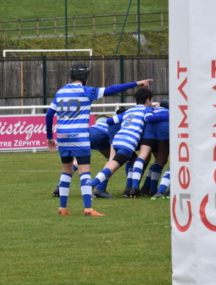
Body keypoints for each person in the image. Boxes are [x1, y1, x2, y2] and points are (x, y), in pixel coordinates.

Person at [46, 63, 151, 216]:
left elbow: (49, 114)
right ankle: (88, 209)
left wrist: (49, 137)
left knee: (66, 171)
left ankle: (63, 209)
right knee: (84, 172)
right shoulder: (87, 91)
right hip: (80, 137)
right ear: (85, 77)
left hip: (62, 137)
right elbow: (112, 89)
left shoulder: (60, 92)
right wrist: (136, 83)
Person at [89, 87, 167, 196]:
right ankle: (92, 186)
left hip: (117, 139)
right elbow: (149, 119)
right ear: (148, 100)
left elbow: (110, 120)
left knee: (113, 163)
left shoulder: (129, 111)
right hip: (128, 142)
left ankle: (124, 188)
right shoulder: (147, 110)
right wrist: (169, 115)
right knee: (113, 166)